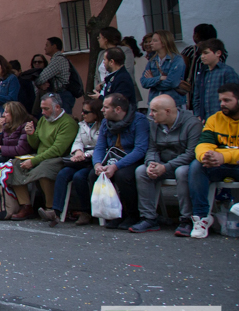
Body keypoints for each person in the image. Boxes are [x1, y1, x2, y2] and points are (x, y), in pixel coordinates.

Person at [130, 95, 201, 233]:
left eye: (155, 111)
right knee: (141, 171)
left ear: (168, 111)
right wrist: (151, 163)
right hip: (162, 163)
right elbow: (152, 148)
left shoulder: (192, 124)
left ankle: (186, 219)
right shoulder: (154, 123)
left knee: (182, 172)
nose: (150, 114)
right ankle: (148, 218)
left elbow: (191, 153)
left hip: (184, 164)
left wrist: (166, 167)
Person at [11, 93, 77, 220]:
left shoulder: (68, 123)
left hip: (57, 158)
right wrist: (31, 134)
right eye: (42, 109)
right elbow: (36, 144)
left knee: (44, 169)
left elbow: (57, 150)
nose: (43, 112)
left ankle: (50, 208)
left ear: (57, 107)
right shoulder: (43, 120)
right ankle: (26, 205)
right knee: (14, 165)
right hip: (40, 155)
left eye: (46, 109)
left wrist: (34, 161)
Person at [186, 83, 239, 239]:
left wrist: (223, 156)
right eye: (221, 100)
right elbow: (203, 144)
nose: (222, 104)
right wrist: (206, 156)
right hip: (218, 164)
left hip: (231, 163)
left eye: (227, 100)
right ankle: (201, 218)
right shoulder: (215, 119)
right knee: (197, 165)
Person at [92, 93, 150, 229]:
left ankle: (131, 215)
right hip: (113, 158)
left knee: (123, 176)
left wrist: (116, 166)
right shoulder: (106, 123)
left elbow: (140, 150)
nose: (102, 110)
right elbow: (100, 146)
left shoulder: (139, 121)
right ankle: (112, 213)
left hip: (132, 159)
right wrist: (98, 164)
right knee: (93, 174)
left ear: (117, 109)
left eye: (105, 107)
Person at [46, 98, 103, 226]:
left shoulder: (103, 126)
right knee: (63, 174)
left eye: (86, 112)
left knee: (79, 177)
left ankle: (86, 211)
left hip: (93, 160)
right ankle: (56, 212)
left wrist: (85, 154)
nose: (82, 114)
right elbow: (78, 141)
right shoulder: (82, 125)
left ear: (96, 113)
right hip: (80, 159)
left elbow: (102, 146)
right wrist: (77, 151)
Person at [181, 24, 226, 110]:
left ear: (196, 35)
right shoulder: (222, 52)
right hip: (216, 91)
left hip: (194, 92)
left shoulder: (191, 51)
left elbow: (183, 70)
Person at [192, 39, 238, 121]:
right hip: (206, 120)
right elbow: (197, 96)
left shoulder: (227, 72)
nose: (202, 56)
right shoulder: (202, 73)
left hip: (225, 119)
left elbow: (234, 97)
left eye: (206, 53)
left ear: (218, 53)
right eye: (201, 54)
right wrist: (198, 114)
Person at [140, 30, 185, 104]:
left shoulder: (176, 59)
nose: (151, 43)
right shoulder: (152, 60)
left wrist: (153, 81)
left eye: (155, 41)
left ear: (164, 43)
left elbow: (172, 83)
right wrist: (159, 78)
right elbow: (144, 82)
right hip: (154, 101)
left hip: (172, 102)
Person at [36, 37, 76, 114]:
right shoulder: (58, 59)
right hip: (63, 94)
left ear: (54, 46)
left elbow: (41, 78)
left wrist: (38, 83)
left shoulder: (58, 60)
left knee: (62, 120)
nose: (45, 48)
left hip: (62, 94)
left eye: (47, 45)